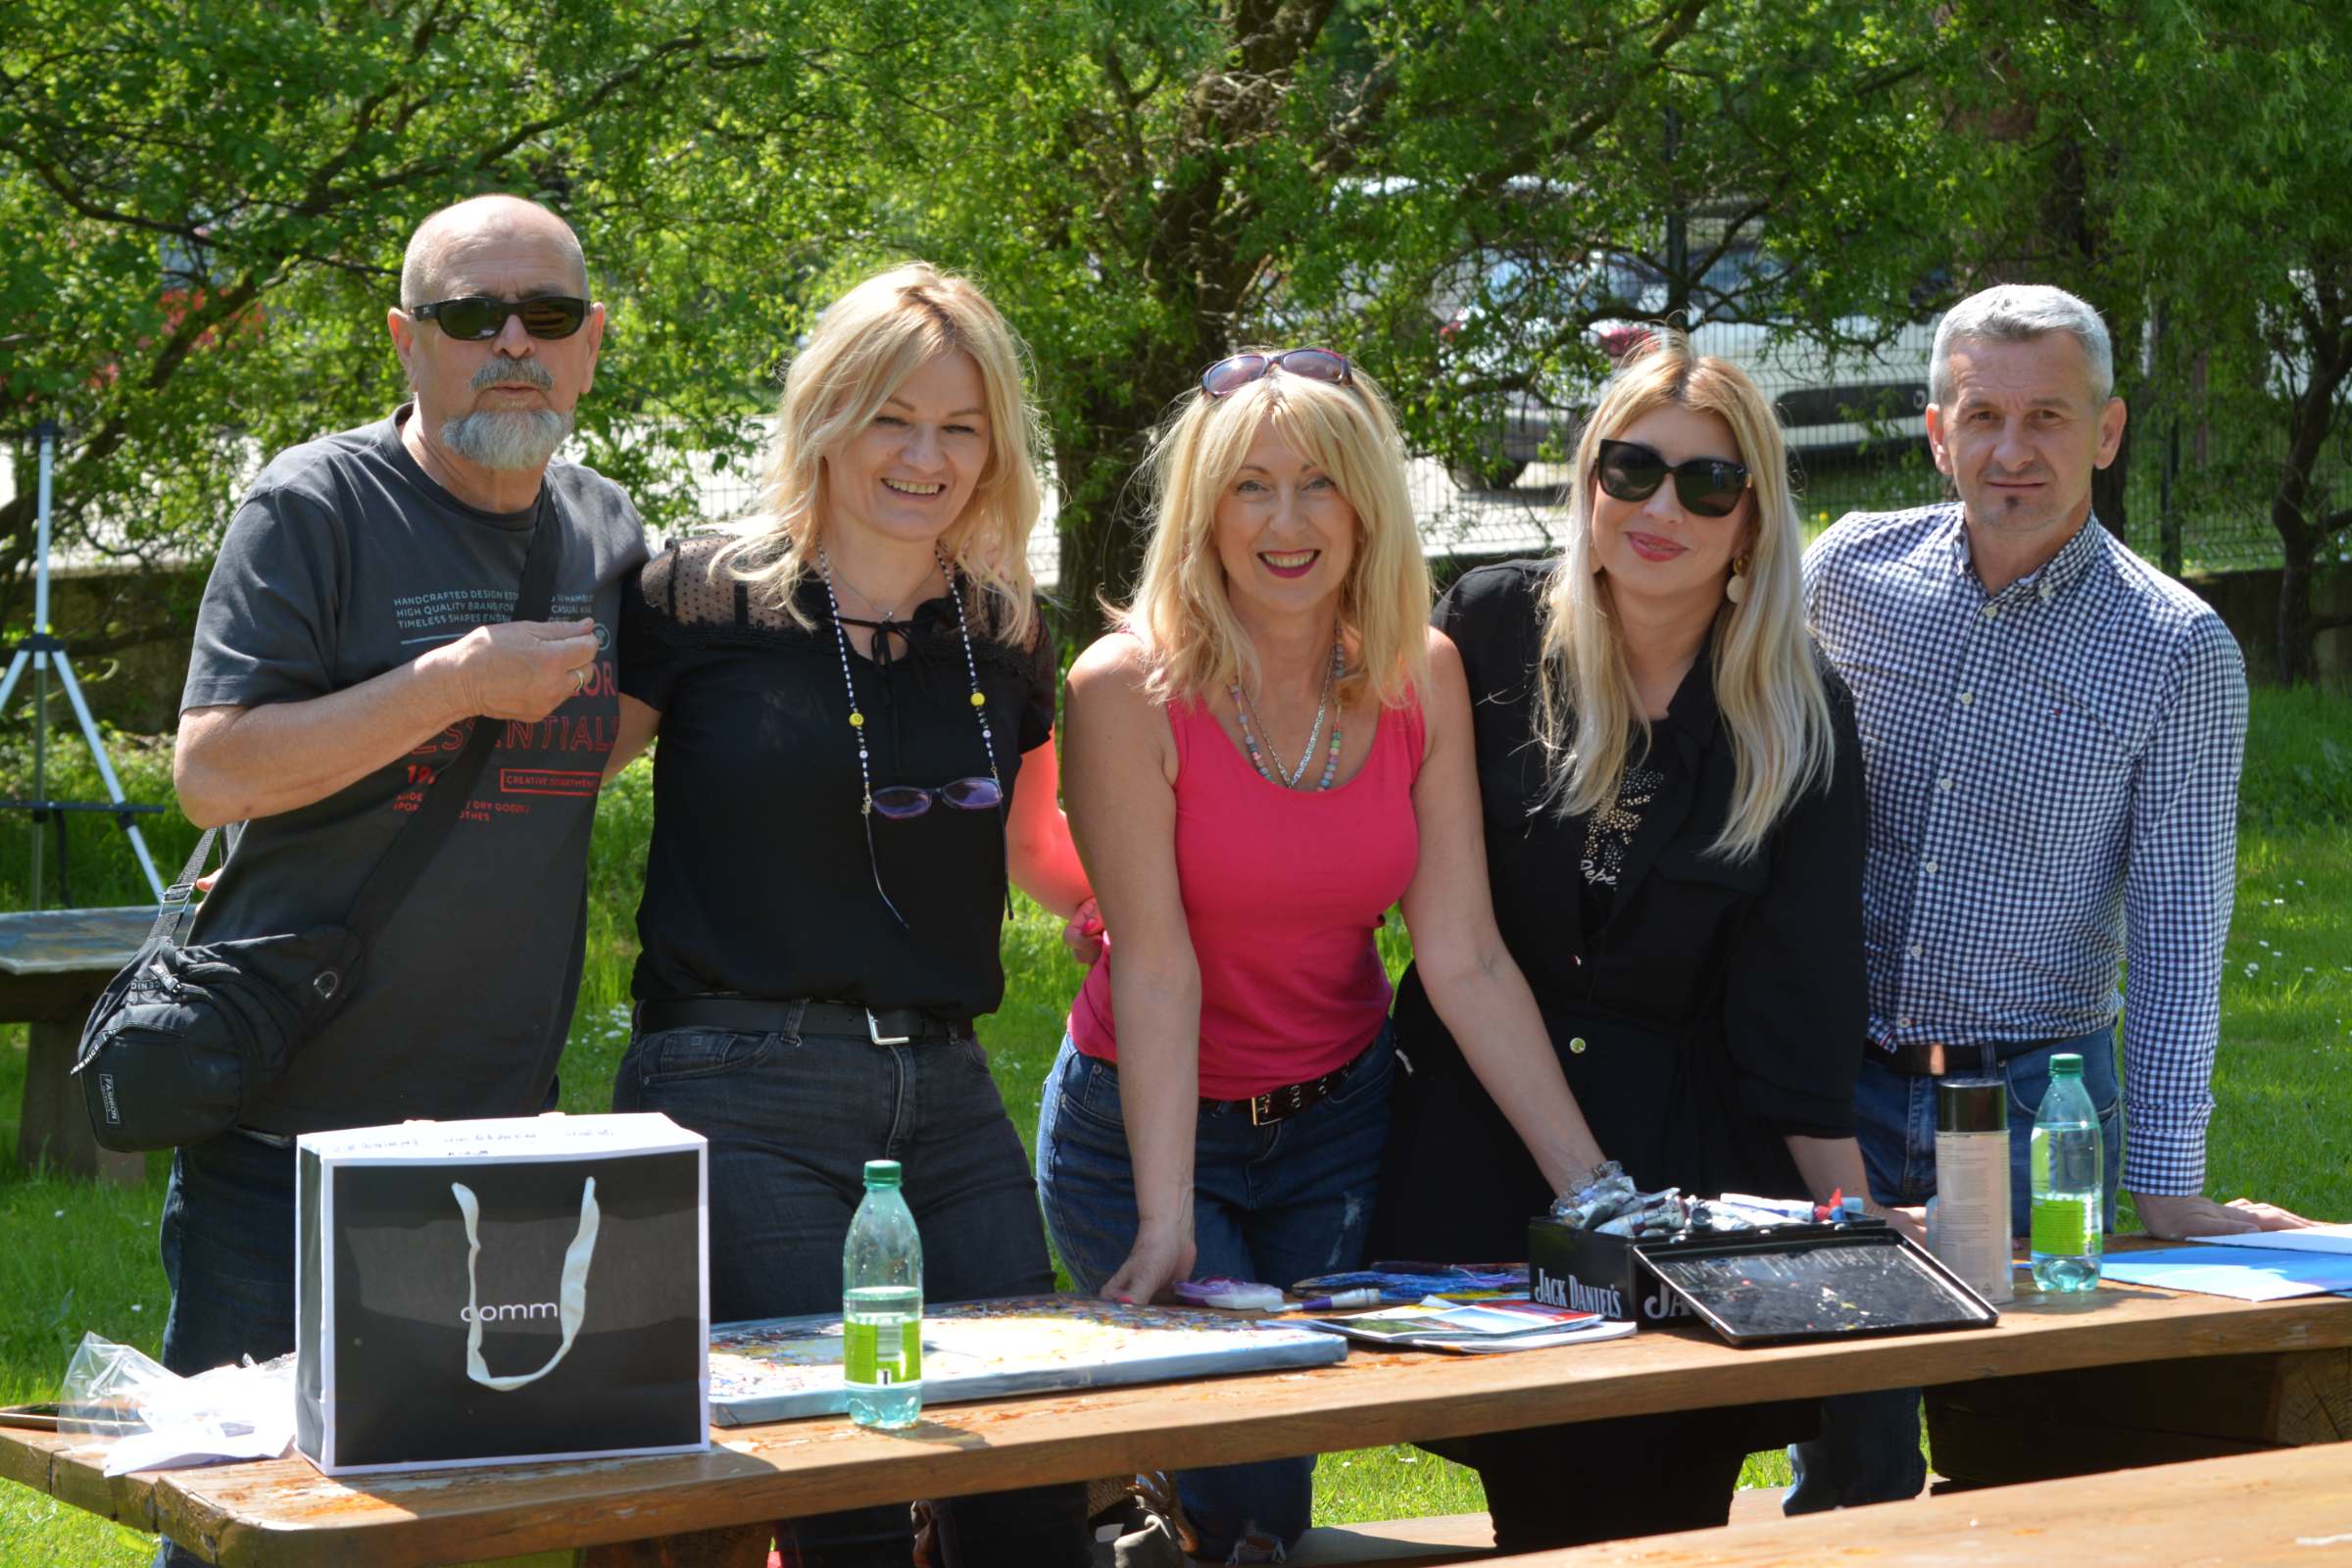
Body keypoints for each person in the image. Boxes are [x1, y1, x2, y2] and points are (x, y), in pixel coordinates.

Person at [1040, 347, 1607, 1563]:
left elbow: (1463, 955)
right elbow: (1155, 969)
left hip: (1335, 1128)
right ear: (1203, 511)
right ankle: (1132, 1501)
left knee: (1271, 1491)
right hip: (1143, 1128)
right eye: (1250, 487)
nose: (1286, 522)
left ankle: (1147, 1506)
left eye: (1319, 486)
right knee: (1241, 1474)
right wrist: (1164, 1216)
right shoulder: (1125, 687)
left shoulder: (1420, 676)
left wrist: (1593, 1188)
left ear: (1367, 507)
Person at [165, 195, 644, 1565]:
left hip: (500, 1142)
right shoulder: (314, 506)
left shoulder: (608, 532)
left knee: (456, 1521)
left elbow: (609, 733)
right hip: (285, 1140)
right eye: (472, 315)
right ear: (405, 340)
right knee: (243, 1522)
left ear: (590, 344)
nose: (513, 343)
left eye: (548, 315)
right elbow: (213, 772)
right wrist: (450, 685)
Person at [1789, 282, 2311, 1512]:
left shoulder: (2177, 647)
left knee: (2039, 1477)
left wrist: (2170, 1182)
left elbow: (2182, 927)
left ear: (2109, 431)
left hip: (2035, 1108)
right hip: (1830, 1091)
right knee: (1849, 1463)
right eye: (1982, 416)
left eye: (2049, 417)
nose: (2012, 451)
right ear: (1937, 432)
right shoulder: (1846, 573)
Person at [606, 262, 1093, 1568]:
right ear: (826, 415)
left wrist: (1122, 912)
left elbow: (1036, 843)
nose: (925, 457)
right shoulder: (695, 597)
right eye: (893, 417)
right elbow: (551, 789)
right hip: (734, 1082)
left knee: (1035, 1465)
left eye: (960, 427)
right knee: (846, 1492)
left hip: (948, 1090)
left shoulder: (1003, 629)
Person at [1370, 332, 1886, 1551]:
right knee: (1546, 1497)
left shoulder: (1798, 712)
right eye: (1633, 469)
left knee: (1668, 1505)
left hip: (1692, 1160)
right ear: (1589, 480)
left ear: (1751, 522)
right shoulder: (1484, 633)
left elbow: (1800, 1005)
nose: (1662, 509)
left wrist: (1854, 1223)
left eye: (1708, 484)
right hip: (1491, 1137)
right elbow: (1437, 917)